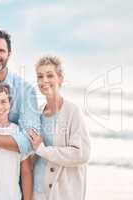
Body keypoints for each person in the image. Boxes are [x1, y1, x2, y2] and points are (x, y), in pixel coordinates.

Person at [28, 56, 91, 200]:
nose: (44, 80)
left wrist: (42, 149)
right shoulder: (37, 112)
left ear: (60, 78)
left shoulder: (72, 111)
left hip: (61, 193)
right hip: (36, 192)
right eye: (40, 76)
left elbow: (81, 154)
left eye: (50, 75)